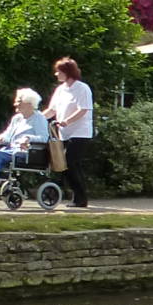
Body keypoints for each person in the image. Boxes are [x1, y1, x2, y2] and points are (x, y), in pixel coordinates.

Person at [43, 56, 94, 207]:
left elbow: (83, 109)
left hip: (80, 133)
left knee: (70, 162)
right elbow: (52, 110)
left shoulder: (82, 88)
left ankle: (80, 199)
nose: (56, 74)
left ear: (67, 72)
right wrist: (37, 118)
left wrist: (66, 121)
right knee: (65, 165)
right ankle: (78, 197)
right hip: (63, 133)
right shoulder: (60, 90)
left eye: (59, 71)